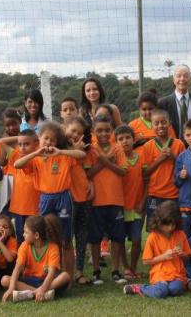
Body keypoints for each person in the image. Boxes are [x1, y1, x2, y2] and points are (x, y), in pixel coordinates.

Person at [14, 121, 86, 282]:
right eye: (45, 139)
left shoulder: (63, 156)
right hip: (45, 198)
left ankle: (68, 276)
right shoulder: (36, 159)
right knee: (46, 237)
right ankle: (48, 274)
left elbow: (82, 155)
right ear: (39, 138)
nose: (48, 143)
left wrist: (61, 151)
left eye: (52, 140)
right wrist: (35, 153)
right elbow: (17, 164)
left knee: (66, 239)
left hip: (63, 198)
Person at [84, 114, 128, 285]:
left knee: (117, 237)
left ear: (112, 131)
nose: (103, 133)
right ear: (94, 131)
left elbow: (123, 171)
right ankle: (96, 271)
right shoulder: (91, 148)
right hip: (96, 201)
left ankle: (115, 271)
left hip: (116, 200)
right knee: (95, 237)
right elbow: (88, 173)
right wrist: (105, 161)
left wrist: (105, 161)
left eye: (107, 130)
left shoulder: (117, 148)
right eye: (100, 130)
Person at [123, 200, 191, 298]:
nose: (170, 228)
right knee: (161, 292)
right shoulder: (153, 237)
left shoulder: (180, 234)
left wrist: (182, 254)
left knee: (176, 289)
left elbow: (187, 256)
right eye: (167, 225)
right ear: (159, 221)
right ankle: (140, 288)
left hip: (177, 274)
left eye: (173, 224)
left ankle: (159, 288)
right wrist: (163, 257)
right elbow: (146, 261)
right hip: (160, 273)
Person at [1, 215, 72, 303]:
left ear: (36, 235)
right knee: (5, 280)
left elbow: (51, 273)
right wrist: (11, 289)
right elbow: (17, 269)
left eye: (26, 232)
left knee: (65, 276)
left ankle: (33, 293)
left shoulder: (53, 247)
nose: (23, 235)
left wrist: (43, 288)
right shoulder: (24, 246)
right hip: (29, 280)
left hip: (47, 281)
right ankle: (39, 293)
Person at [63, 117, 94, 285]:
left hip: (84, 197)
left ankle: (79, 272)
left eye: (79, 133)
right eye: (73, 130)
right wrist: (72, 149)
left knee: (82, 235)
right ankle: (65, 272)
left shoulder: (85, 149)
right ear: (65, 127)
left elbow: (86, 171)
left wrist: (90, 184)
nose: (75, 135)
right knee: (66, 237)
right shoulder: (58, 148)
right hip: (67, 198)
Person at [141, 109, 186, 225]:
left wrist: (173, 157)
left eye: (163, 122)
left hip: (174, 193)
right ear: (152, 125)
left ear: (169, 123)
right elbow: (145, 173)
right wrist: (159, 160)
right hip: (155, 193)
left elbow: (185, 168)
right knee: (154, 227)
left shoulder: (178, 144)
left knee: (173, 227)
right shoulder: (148, 146)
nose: (160, 126)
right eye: (156, 123)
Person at [114, 125, 147, 280]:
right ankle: (125, 267)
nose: (124, 141)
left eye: (127, 138)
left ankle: (133, 268)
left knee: (136, 240)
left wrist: (143, 201)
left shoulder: (141, 158)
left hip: (137, 207)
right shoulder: (115, 160)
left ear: (134, 140)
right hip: (120, 206)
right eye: (120, 139)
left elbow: (147, 180)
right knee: (119, 239)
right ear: (116, 142)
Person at [1, 129, 41, 244]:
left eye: (27, 144)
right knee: (21, 239)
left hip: (34, 207)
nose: (22, 147)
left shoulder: (37, 158)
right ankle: (22, 261)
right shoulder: (16, 155)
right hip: (19, 207)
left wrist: (34, 138)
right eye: (20, 144)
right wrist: (21, 138)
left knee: (35, 239)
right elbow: (2, 141)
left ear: (36, 144)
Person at [158, 65, 191, 139]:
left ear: (190, 79)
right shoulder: (162, 103)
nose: (182, 79)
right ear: (174, 79)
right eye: (179, 76)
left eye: (185, 76)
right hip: (172, 147)